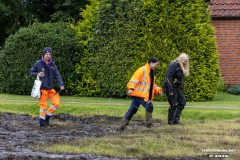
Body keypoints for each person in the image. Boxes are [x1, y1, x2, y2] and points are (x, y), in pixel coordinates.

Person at [120, 57, 163, 130]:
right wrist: (130, 88)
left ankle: (123, 125)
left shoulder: (151, 72)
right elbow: (134, 79)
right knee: (149, 106)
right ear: (151, 63)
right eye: (156, 64)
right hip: (139, 94)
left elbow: (152, 85)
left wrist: (158, 90)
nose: (156, 66)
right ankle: (149, 125)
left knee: (133, 109)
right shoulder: (142, 70)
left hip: (139, 94)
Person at [29, 47, 64, 127]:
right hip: (42, 89)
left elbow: (57, 74)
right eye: (47, 54)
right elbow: (31, 72)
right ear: (43, 55)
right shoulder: (38, 63)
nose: (48, 56)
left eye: (49, 54)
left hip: (51, 88)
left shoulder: (53, 64)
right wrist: (38, 74)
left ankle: (47, 118)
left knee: (56, 103)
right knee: (43, 107)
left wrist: (61, 84)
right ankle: (42, 124)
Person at [163, 53, 190, 125]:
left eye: (186, 61)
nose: (185, 63)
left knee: (182, 102)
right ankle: (170, 121)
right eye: (184, 61)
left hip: (177, 87)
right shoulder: (173, 65)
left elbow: (179, 79)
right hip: (170, 86)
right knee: (173, 104)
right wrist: (170, 90)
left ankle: (176, 120)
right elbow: (168, 78)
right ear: (180, 59)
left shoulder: (181, 66)